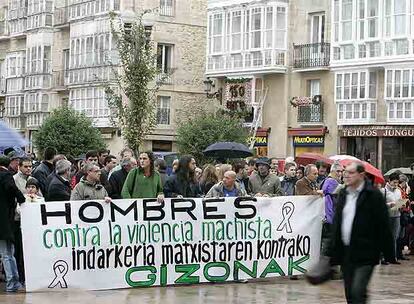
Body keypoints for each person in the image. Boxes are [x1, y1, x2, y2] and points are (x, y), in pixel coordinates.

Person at [327, 162, 393, 304]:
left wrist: (388, 253)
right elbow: (338, 223)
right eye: (346, 172)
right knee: (350, 292)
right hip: (346, 252)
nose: (346, 175)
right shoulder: (344, 193)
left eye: (351, 173)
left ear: (361, 175)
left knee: (358, 291)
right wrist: (330, 250)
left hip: (366, 252)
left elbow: (383, 224)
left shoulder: (373, 195)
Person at [0, 155, 25, 292]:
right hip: (4, 222)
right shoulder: (5, 175)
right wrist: (21, 198)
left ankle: (13, 281)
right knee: (8, 253)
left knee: (7, 252)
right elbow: (11, 188)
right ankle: (12, 283)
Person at [321, 161, 344, 255]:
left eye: (341, 171)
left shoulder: (328, 181)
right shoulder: (331, 181)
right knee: (328, 244)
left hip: (330, 217)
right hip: (330, 218)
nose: (340, 174)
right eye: (338, 171)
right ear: (332, 171)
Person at [382, 172, 403, 264]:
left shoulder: (398, 191)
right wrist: (390, 204)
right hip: (387, 216)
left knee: (394, 237)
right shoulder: (383, 191)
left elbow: (400, 201)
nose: (396, 184)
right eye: (394, 182)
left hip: (397, 215)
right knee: (386, 236)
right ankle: (383, 257)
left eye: (397, 182)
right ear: (389, 181)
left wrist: (401, 204)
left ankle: (393, 257)